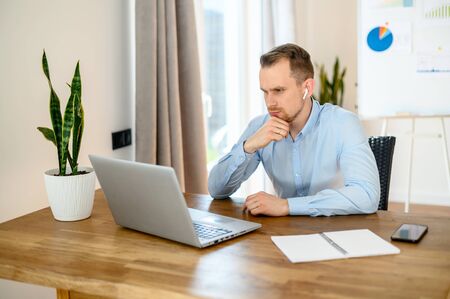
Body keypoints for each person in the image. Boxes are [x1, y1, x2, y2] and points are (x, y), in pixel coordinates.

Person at [208, 43, 380, 217]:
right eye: (265, 92)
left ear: (307, 88)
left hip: (339, 232)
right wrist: (248, 147)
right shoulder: (260, 127)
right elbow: (217, 190)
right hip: (284, 234)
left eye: (279, 90)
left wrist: (286, 205)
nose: (270, 102)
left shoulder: (343, 123)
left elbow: (366, 195)